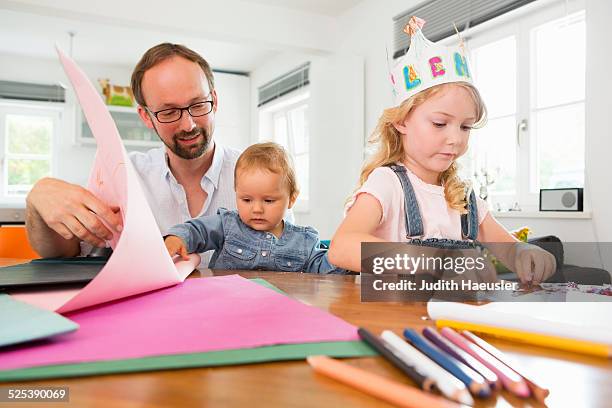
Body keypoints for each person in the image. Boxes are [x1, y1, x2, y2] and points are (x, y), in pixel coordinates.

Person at [328, 17, 556, 284]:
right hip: (396, 317)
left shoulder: (464, 197)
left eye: (465, 127)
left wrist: (524, 252)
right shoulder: (388, 183)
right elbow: (342, 247)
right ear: (401, 121)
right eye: (439, 123)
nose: (455, 139)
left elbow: (506, 248)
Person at [25, 43, 241, 265]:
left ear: (214, 100)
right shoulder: (122, 175)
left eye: (197, 105)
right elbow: (65, 253)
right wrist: (37, 203)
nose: (188, 124)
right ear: (146, 116)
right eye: (169, 112)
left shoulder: (260, 173)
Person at [164, 142, 341, 273]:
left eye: (269, 201)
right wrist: (178, 237)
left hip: (277, 312)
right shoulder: (227, 225)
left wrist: (350, 258)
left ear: (291, 199)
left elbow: (324, 270)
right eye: (247, 200)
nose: (257, 209)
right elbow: (199, 230)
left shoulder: (304, 241)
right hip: (227, 306)